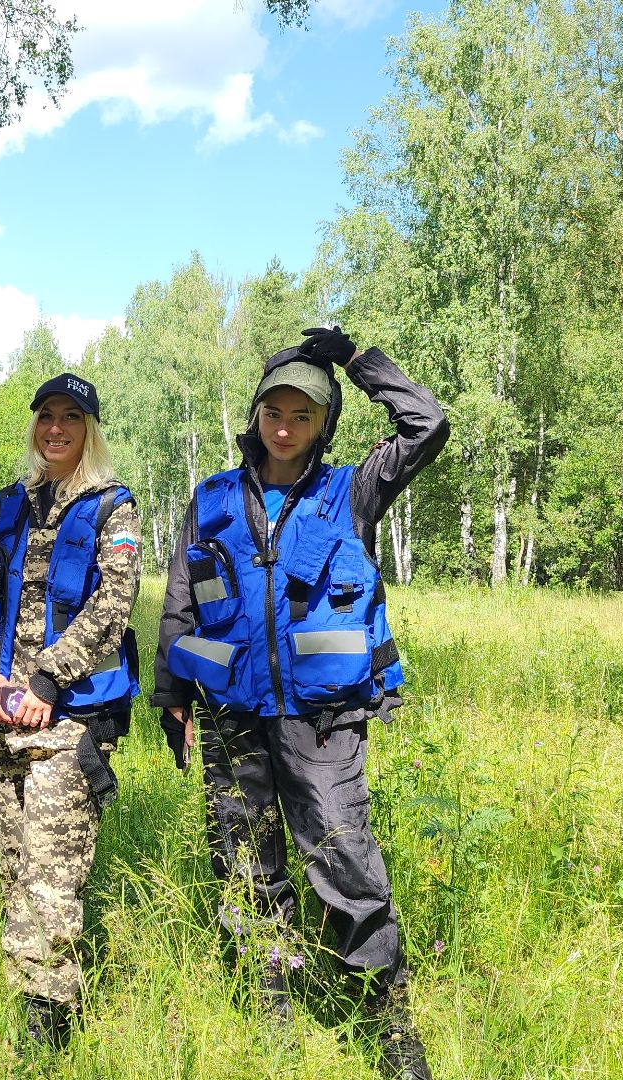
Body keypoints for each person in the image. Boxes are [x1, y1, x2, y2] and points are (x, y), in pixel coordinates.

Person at [154, 327, 448, 1080]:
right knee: (245, 863)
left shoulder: (352, 490)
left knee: (345, 861)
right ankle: (272, 1004)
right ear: (255, 415)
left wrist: (357, 359)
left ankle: (389, 1022)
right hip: (230, 717)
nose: (284, 428)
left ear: (325, 422)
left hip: (323, 721)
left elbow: (428, 423)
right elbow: (183, 602)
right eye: (273, 412)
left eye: (303, 416)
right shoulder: (212, 499)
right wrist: (172, 697)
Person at [0, 374, 141, 1048]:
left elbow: (113, 607)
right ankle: (22, 992)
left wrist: (46, 680)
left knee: (54, 870)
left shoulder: (112, 508)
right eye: (47, 417)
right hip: (6, 712)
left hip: (70, 716)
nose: (56, 428)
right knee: (14, 863)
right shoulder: (9, 505)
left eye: (71, 417)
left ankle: (52, 1013)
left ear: (88, 429)